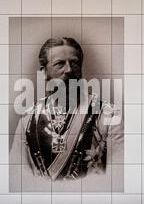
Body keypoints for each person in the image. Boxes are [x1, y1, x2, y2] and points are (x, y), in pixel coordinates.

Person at [10, 37, 123, 181]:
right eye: (59, 64)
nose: (69, 70)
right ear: (44, 72)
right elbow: (18, 176)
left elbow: (119, 175)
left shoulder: (108, 116)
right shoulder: (28, 121)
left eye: (74, 63)